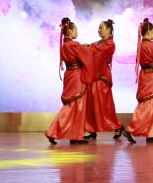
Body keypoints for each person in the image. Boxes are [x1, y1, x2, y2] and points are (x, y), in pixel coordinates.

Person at [45, 17, 95, 145]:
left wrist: (83, 47)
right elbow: (86, 55)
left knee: (74, 106)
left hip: (69, 74)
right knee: (75, 106)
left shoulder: (65, 45)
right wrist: (89, 47)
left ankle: (75, 136)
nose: (77, 32)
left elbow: (78, 52)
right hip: (77, 76)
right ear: (70, 31)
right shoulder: (74, 45)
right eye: (76, 30)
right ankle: (53, 131)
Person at [123, 19, 153, 144]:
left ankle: (152, 133)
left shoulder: (141, 45)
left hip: (145, 76)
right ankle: (131, 129)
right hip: (151, 78)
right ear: (149, 31)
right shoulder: (151, 46)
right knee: (148, 106)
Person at [87, 19, 125, 139]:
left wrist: (90, 48)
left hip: (102, 76)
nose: (99, 30)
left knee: (105, 105)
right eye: (98, 28)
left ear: (109, 30)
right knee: (91, 104)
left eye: (101, 28)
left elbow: (99, 56)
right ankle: (91, 129)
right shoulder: (98, 43)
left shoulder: (110, 44)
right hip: (94, 75)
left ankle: (117, 126)